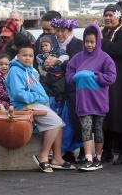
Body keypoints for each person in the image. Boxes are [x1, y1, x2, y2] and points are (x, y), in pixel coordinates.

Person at [4, 43, 73, 173]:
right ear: (17, 56)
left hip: (35, 104)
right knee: (56, 122)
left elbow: (37, 88)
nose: (27, 58)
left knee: (59, 123)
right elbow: (18, 93)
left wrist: (42, 98)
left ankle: (57, 158)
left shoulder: (30, 70)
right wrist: (38, 97)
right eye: (24, 55)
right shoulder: (14, 71)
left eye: (30, 56)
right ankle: (43, 156)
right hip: (24, 106)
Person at [66, 24, 117, 171]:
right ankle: (88, 158)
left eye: (92, 42)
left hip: (99, 100)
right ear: (83, 42)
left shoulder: (105, 58)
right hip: (83, 101)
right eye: (86, 42)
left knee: (98, 128)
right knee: (86, 129)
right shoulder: (77, 58)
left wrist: (95, 75)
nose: (89, 45)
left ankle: (98, 158)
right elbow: (68, 76)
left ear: (97, 42)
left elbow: (111, 77)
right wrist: (77, 76)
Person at [101, 2, 122, 165]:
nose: (108, 18)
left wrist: (101, 42)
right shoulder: (103, 33)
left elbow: (117, 50)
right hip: (105, 81)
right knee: (105, 115)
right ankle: (106, 151)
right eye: (106, 15)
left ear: (119, 17)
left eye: (111, 15)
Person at [49, 17, 84, 163]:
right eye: (57, 30)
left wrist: (59, 62)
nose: (59, 34)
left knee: (76, 120)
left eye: (62, 30)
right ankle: (67, 152)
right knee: (64, 120)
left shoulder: (78, 44)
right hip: (59, 90)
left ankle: (82, 151)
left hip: (75, 88)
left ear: (70, 30)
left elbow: (77, 64)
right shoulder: (54, 45)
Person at [35, 36, 67, 102]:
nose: (44, 48)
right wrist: (44, 69)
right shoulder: (41, 56)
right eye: (42, 46)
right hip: (48, 76)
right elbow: (40, 67)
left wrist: (58, 60)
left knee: (59, 88)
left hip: (59, 75)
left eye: (46, 45)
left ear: (52, 45)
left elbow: (66, 56)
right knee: (44, 86)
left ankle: (59, 102)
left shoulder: (58, 52)